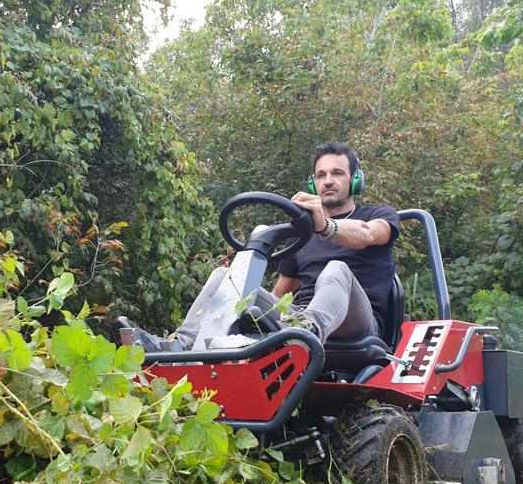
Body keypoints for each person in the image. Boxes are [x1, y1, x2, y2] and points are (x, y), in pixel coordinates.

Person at [121, 142, 401, 351]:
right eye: (321, 175)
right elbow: (280, 295)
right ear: (313, 183)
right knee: (224, 277)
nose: (328, 180)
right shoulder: (301, 235)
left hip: (359, 322)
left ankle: (306, 336)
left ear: (355, 180)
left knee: (335, 269)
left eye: (337, 173)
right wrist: (250, 308)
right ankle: (179, 345)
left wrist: (326, 226)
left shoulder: (377, 216)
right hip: (295, 318)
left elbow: (366, 234)